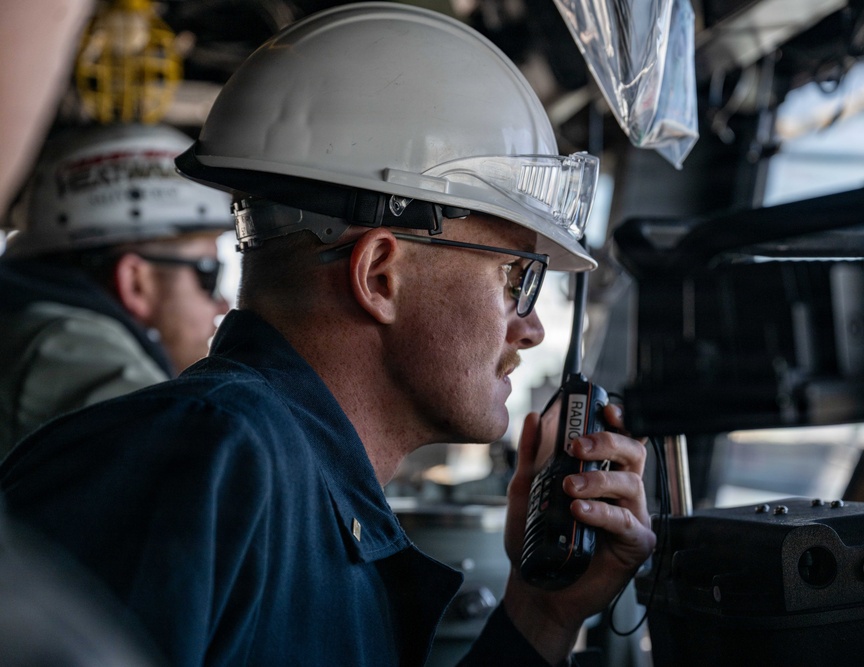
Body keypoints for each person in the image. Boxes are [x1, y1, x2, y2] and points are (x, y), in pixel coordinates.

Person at [0, 4, 656, 666]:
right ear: (378, 276)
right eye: (517, 277)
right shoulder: (199, 463)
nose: (533, 324)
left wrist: (541, 610)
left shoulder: (290, 487)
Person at [0, 123, 234, 454]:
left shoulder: (27, 324)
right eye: (208, 274)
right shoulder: (70, 348)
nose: (222, 304)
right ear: (136, 282)